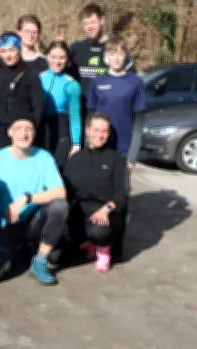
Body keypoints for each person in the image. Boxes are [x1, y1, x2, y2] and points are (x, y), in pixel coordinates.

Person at [0, 117, 69, 286]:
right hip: (2, 223)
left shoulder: (43, 157)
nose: (24, 133)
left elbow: (60, 192)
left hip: (32, 222)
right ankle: (21, 250)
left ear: (34, 134)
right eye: (18, 128)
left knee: (60, 206)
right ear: (10, 132)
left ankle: (39, 261)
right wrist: (2, 211)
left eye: (29, 129)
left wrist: (27, 198)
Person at [63, 112, 128, 273]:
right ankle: (88, 243)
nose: (100, 135)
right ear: (87, 130)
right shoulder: (75, 158)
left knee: (98, 230)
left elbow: (122, 194)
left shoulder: (116, 159)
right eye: (96, 130)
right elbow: (67, 191)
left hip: (105, 214)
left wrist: (106, 209)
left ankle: (104, 249)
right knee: (57, 255)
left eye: (104, 131)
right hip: (80, 214)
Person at [86, 36, 145, 169]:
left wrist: (132, 154)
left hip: (124, 151)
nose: (116, 58)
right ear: (106, 57)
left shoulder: (135, 82)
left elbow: (139, 123)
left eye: (120, 54)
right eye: (112, 54)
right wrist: (88, 146)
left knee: (121, 190)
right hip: (99, 147)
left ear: (126, 55)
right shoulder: (97, 81)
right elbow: (90, 118)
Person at [0, 32, 44, 151]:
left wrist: (32, 130)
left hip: (22, 130)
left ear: (19, 50)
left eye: (11, 50)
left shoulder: (30, 74)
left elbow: (38, 106)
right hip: (1, 129)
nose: (7, 55)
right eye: (3, 51)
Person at [68, 3, 135, 97]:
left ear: (102, 20)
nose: (89, 27)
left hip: (109, 109)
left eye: (93, 22)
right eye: (86, 24)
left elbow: (131, 81)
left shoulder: (117, 47)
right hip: (82, 109)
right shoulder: (75, 49)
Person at [39, 41, 82, 168]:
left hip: (61, 132)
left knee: (57, 171)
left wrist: (76, 144)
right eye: (53, 57)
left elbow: (75, 116)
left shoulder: (72, 85)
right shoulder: (38, 78)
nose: (57, 61)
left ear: (67, 59)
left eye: (61, 57)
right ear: (47, 57)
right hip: (41, 130)